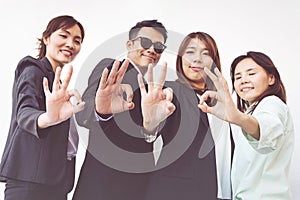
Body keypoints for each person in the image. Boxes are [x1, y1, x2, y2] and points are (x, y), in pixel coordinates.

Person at [72, 19, 174, 200]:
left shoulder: (153, 89)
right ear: (129, 44)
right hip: (104, 183)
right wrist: (102, 110)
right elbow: (83, 113)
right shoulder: (112, 68)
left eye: (158, 46)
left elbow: (146, 136)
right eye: (145, 42)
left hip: (140, 183)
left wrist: (151, 128)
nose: (151, 50)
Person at [0, 15, 85, 200]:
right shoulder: (33, 68)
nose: (70, 44)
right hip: (30, 182)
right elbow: (24, 112)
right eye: (64, 35)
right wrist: (47, 118)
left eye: (77, 40)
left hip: (55, 182)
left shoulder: (59, 85)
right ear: (46, 38)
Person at [139, 32, 233, 200]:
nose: (197, 59)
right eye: (190, 52)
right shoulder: (169, 92)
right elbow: (152, 131)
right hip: (174, 192)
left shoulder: (224, 100)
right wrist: (149, 124)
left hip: (217, 192)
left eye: (205, 53)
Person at [199, 51, 294, 199]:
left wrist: (238, 118)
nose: (243, 80)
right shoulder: (253, 111)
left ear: (271, 78)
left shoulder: (272, 104)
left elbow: (266, 128)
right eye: (238, 77)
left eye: (251, 74)